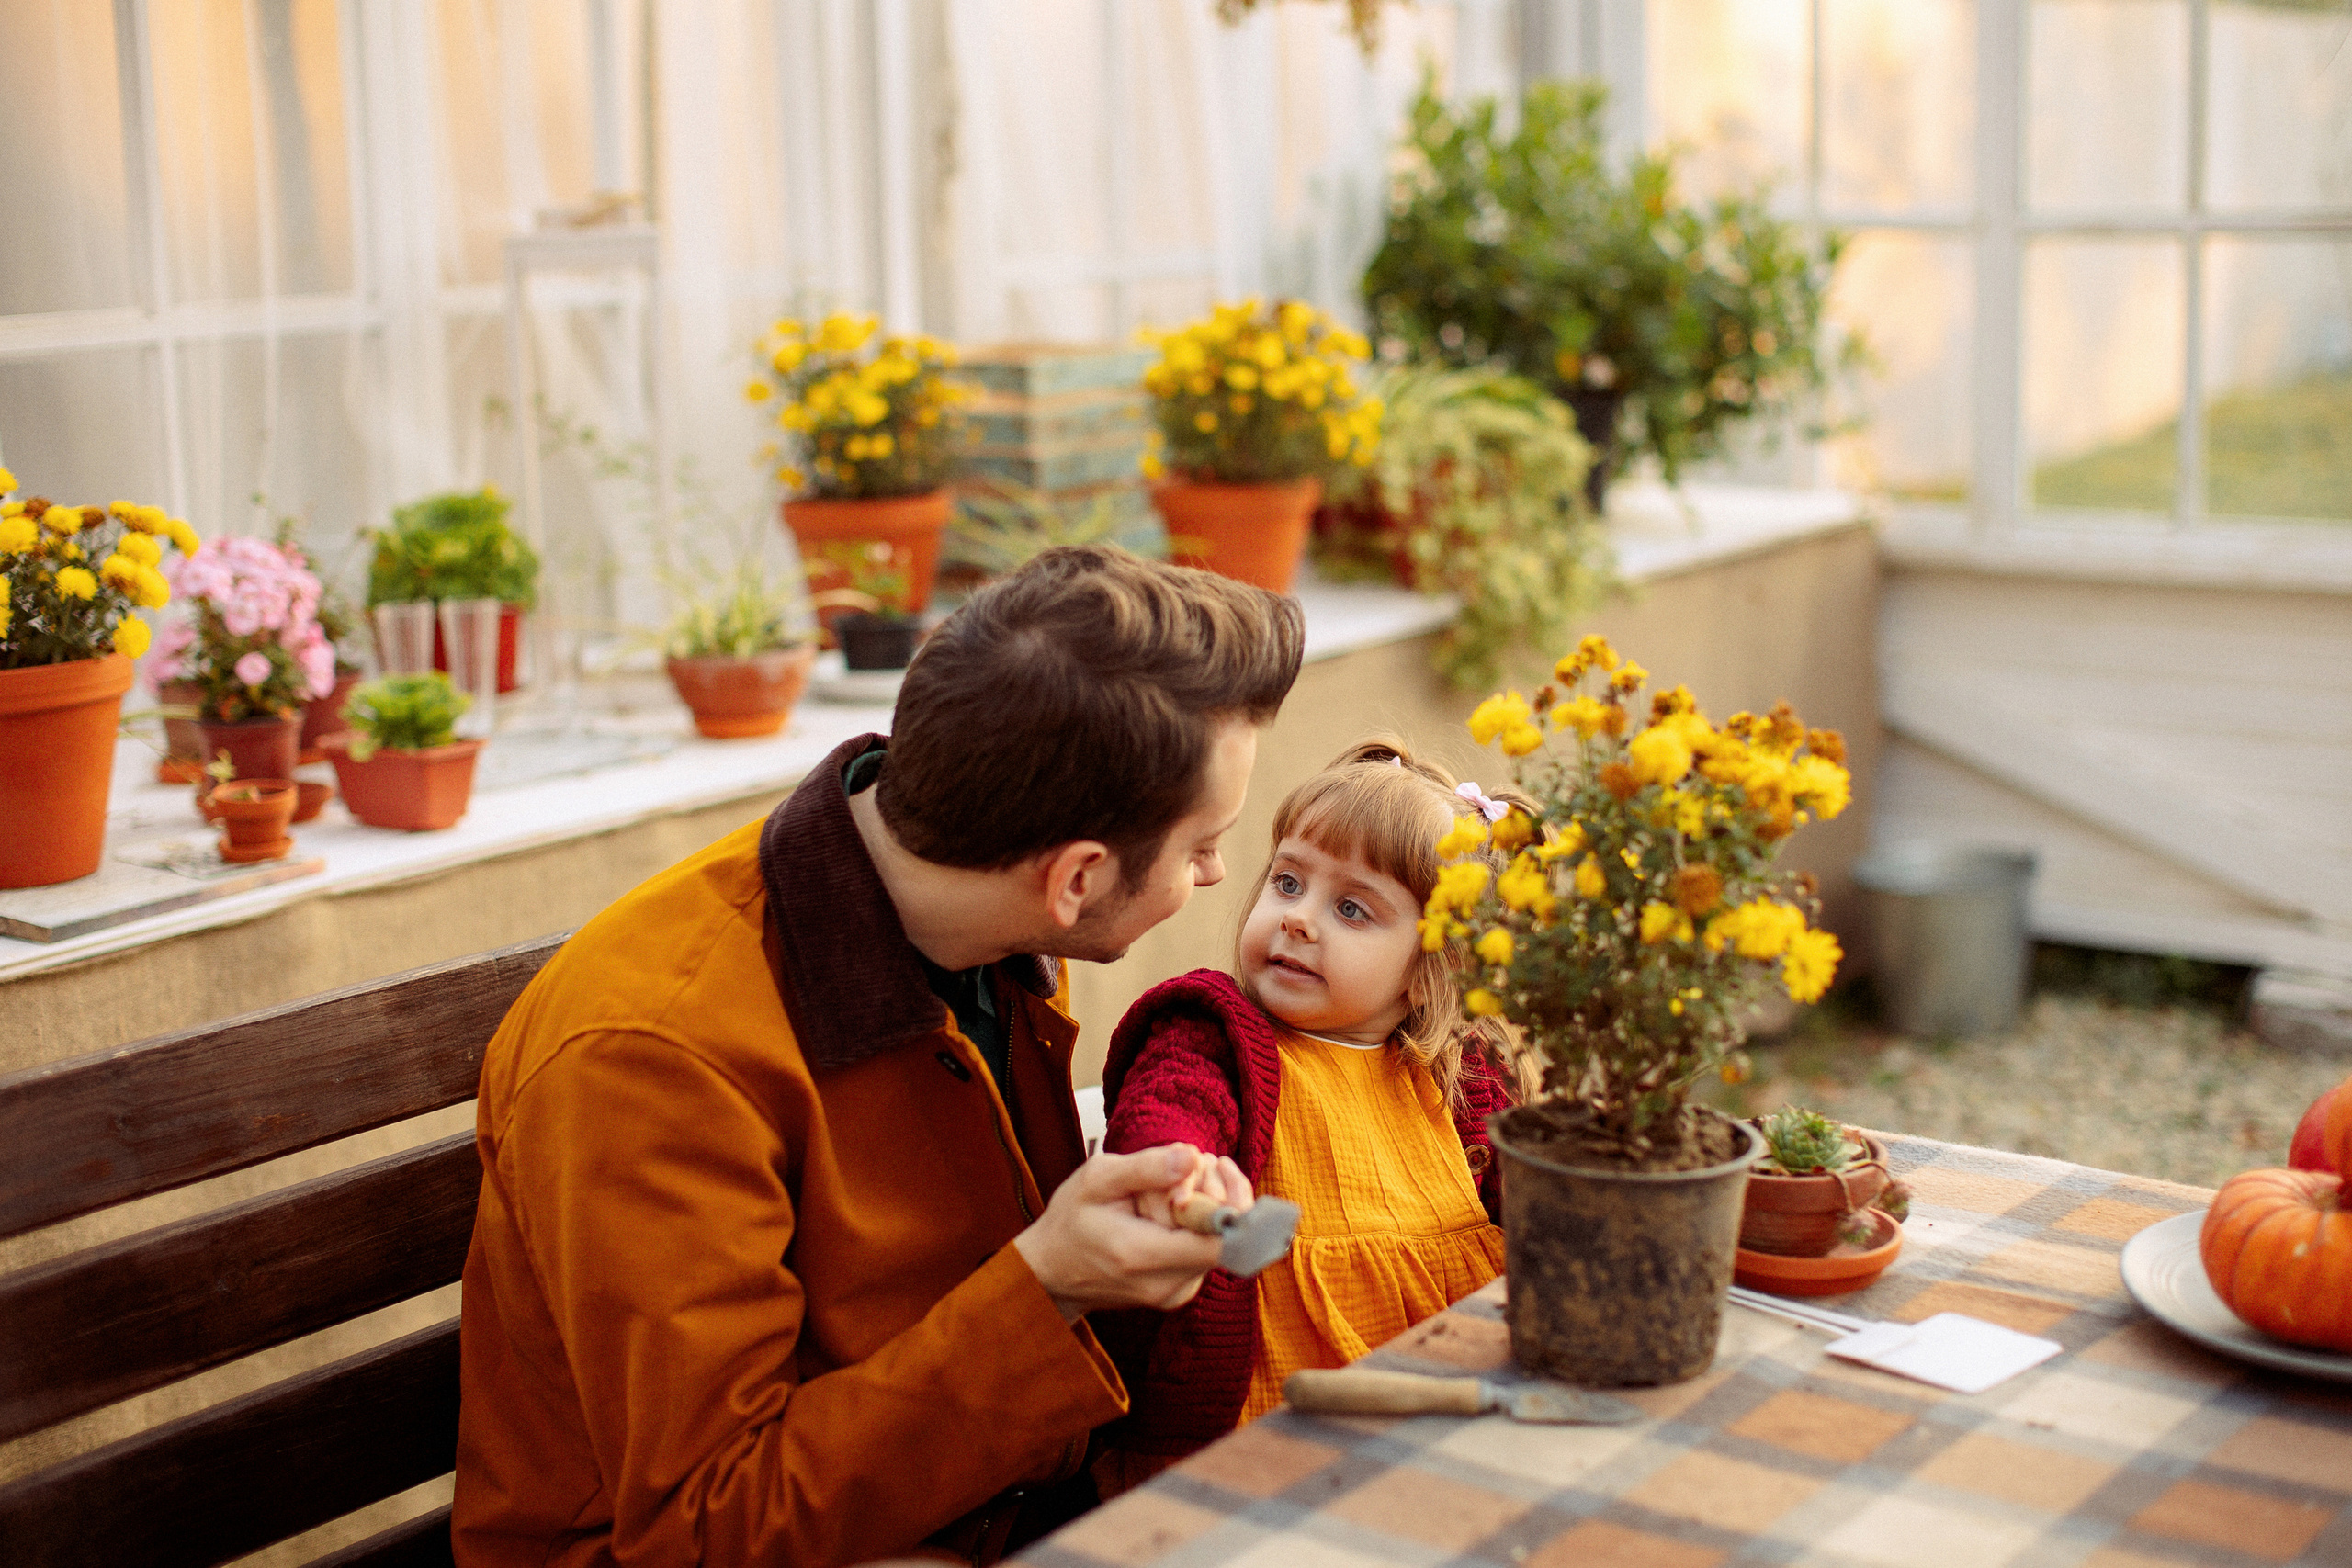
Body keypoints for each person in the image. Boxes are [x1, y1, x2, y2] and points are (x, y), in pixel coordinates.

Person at [453, 545, 1303, 1568]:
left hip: (986, 1504)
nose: (1215, 874)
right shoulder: (648, 1059)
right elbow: (705, 1525)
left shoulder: (993, 922)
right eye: (1203, 844)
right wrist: (1047, 1290)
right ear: (1074, 877)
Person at [1092, 739, 1537, 1482]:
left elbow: (1537, 1211)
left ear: (1435, 970)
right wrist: (1183, 1171)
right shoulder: (1214, 1033)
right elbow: (1168, 1110)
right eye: (1289, 882)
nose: (1299, 919)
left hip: (1439, 1442)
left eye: (1352, 907)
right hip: (1244, 1455)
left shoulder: (1459, 1079)